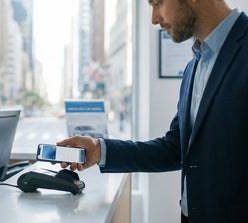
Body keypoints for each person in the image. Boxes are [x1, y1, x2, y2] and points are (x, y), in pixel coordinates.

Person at [58, 0, 248, 222]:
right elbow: (176, 148)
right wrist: (101, 150)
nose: (154, 19)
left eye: (157, 3)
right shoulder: (194, 66)